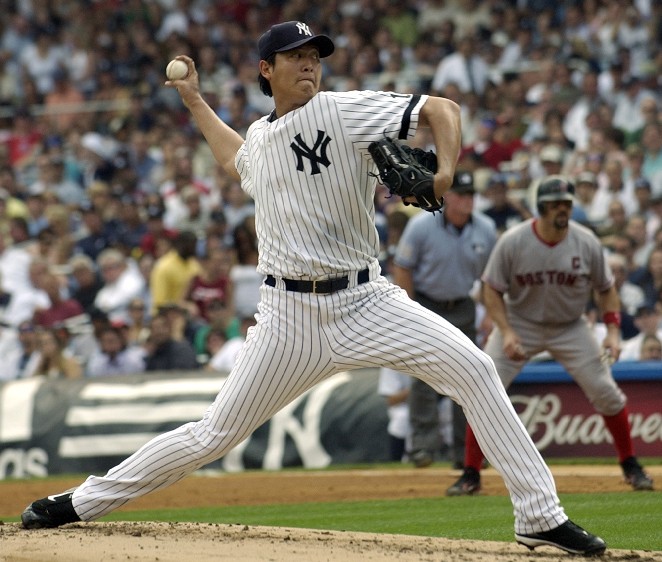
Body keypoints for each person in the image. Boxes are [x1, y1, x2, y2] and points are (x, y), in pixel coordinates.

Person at [21, 21, 606, 556]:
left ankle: (539, 515)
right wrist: (195, 100)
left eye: (314, 56)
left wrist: (447, 171)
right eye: (294, 56)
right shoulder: (261, 137)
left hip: (366, 301)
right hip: (287, 319)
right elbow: (236, 161)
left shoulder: (340, 110)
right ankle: (80, 502)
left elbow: (442, 109)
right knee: (213, 434)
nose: (308, 64)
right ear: (265, 69)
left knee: (476, 370)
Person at [447, 175, 654, 498]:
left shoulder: (585, 241)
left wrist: (613, 331)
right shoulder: (514, 241)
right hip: (521, 322)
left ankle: (630, 464)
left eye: (566, 204)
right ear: (541, 208)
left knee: (605, 391)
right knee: (482, 387)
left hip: (570, 326)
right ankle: (471, 472)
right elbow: (492, 290)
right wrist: (506, 331)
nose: (562, 209)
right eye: (555, 204)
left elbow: (605, 289)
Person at [392, 170, 498, 469]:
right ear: (447, 196)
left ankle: (465, 452)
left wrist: (490, 313)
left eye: (471, 195)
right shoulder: (422, 224)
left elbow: (491, 276)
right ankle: (422, 447)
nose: (467, 200)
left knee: (467, 375)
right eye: (462, 195)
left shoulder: (486, 228)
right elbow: (402, 267)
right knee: (424, 373)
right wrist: (410, 309)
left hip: (463, 305)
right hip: (426, 303)